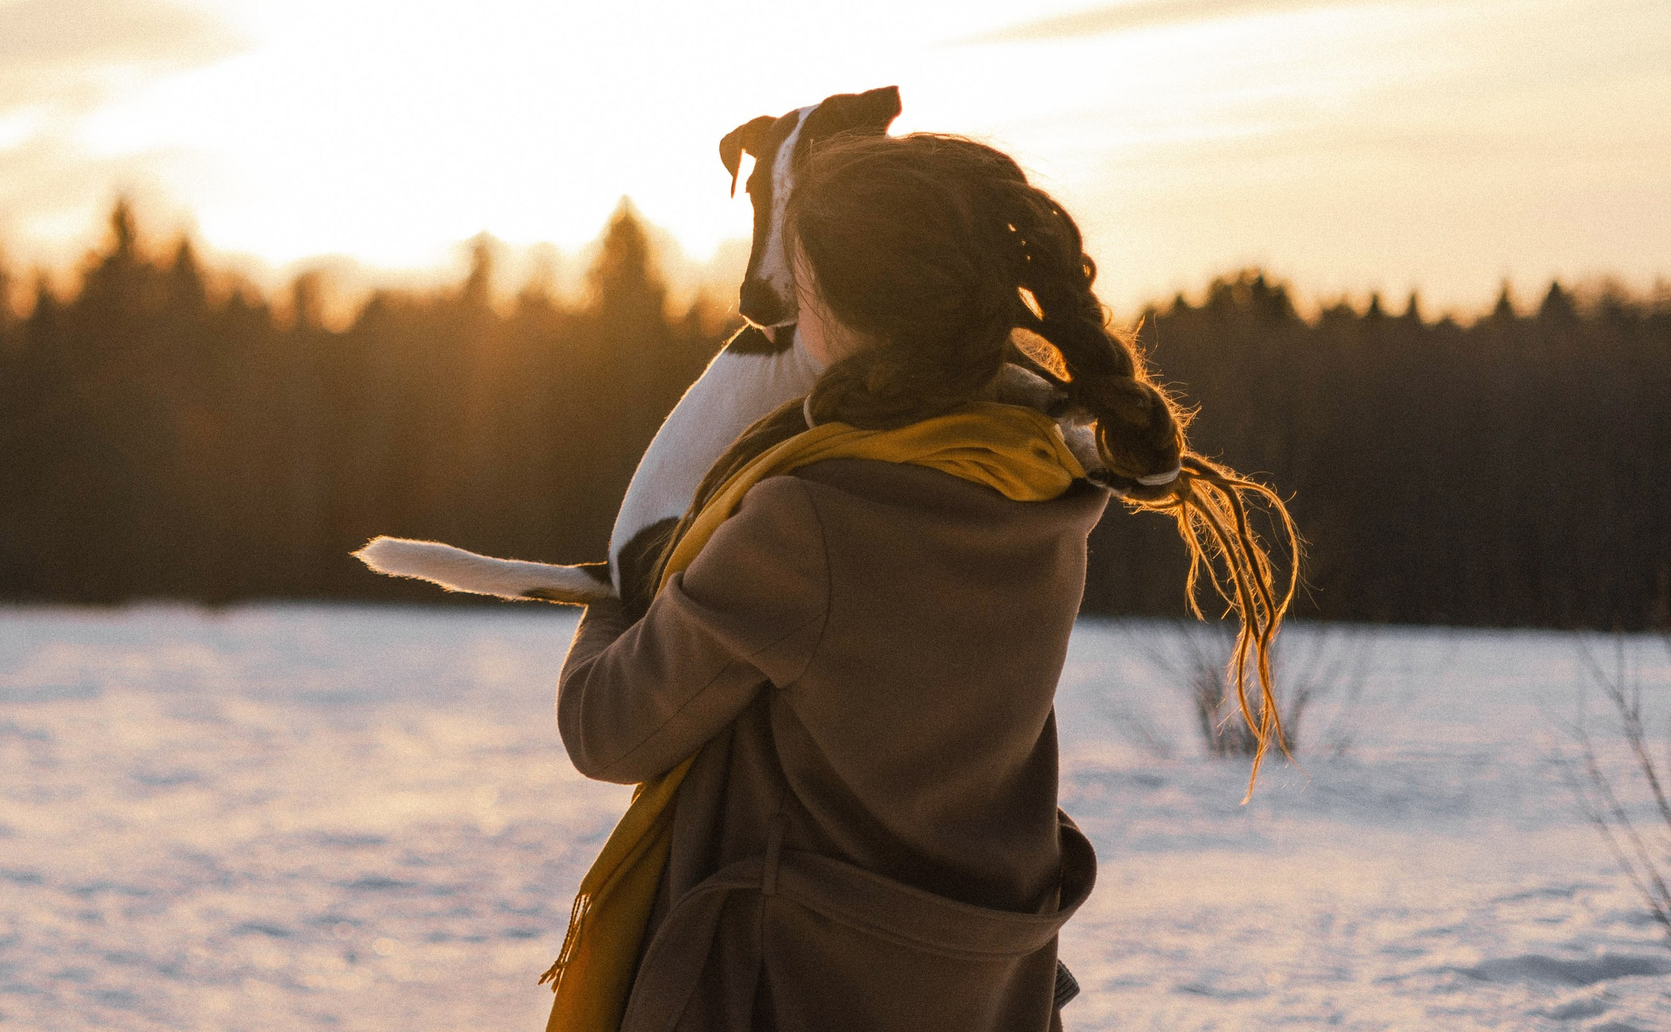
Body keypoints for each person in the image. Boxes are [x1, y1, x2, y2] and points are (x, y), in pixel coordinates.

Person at [541, 132, 1298, 1032]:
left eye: (804, 284)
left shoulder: (804, 523)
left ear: (842, 312)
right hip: (980, 997)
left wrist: (624, 585)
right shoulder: (1043, 488)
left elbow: (606, 727)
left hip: (794, 991)